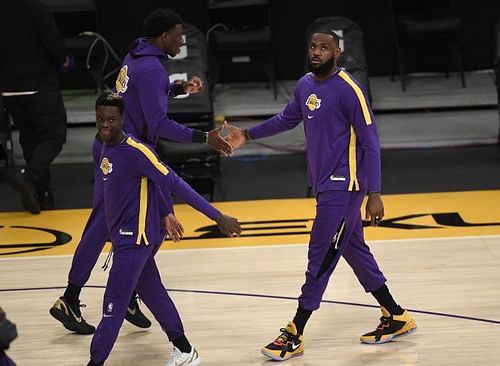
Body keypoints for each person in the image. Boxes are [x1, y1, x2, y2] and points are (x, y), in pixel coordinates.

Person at [225, 30, 417, 361]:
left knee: (322, 253)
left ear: (337, 53)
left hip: (345, 187)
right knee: (352, 249)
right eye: (313, 46)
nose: (316, 52)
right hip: (325, 184)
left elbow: (371, 142)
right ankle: (396, 314)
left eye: (324, 47)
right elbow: (287, 118)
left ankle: (295, 331)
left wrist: (376, 192)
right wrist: (247, 134)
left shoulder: (350, 90)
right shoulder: (304, 85)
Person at [49, 8, 233, 334]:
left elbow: (137, 97)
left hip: (111, 147)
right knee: (142, 222)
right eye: (178, 34)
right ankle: (78, 296)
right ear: (164, 37)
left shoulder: (137, 52)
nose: (182, 39)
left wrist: (180, 90)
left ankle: (100, 293)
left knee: (119, 223)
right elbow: (159, 123)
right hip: (128, 155)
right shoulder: (152, 69)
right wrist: (205, 137)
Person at [87, 92, 240, 366]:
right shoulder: (102, 146)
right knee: (153, 294)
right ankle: (184, 350)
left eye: (111, 119)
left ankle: (95, 362)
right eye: (100, 119)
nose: (105, 125)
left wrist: (217, 216)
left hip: (135, 240)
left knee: (113, 306)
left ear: (123, 119)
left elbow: (173, 183)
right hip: (125, 239)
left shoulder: (138, 151)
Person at [0, 0, 69, 214]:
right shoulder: (36, 6)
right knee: (54, 136)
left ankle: (42, 195)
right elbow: (53, 43)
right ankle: (27, 177)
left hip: (8, 86)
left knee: (30, 138)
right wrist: (63, 58)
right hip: (38, 83)